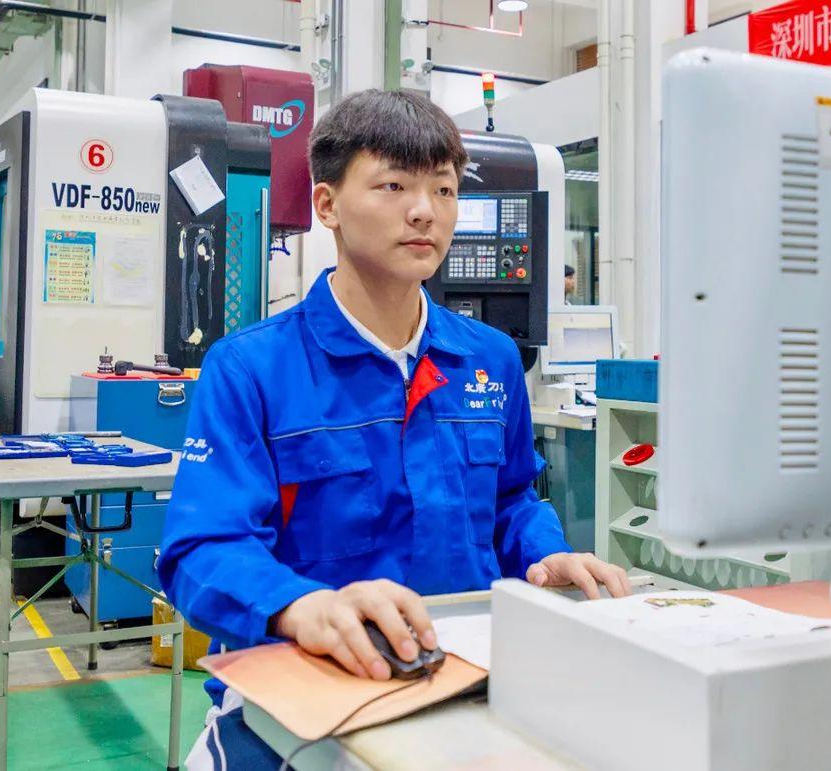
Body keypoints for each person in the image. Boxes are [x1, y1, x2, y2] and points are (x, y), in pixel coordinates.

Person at [158, 89, 631, 769]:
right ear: (327, 206)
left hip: (466, 687)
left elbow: (511, 501)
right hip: (302, 703)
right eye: (394, 186)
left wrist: (543, 555)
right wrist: (300, 606)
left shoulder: (490, 359)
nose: (424, 210)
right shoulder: (252, 369)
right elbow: (202, 548)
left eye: (443, 189)